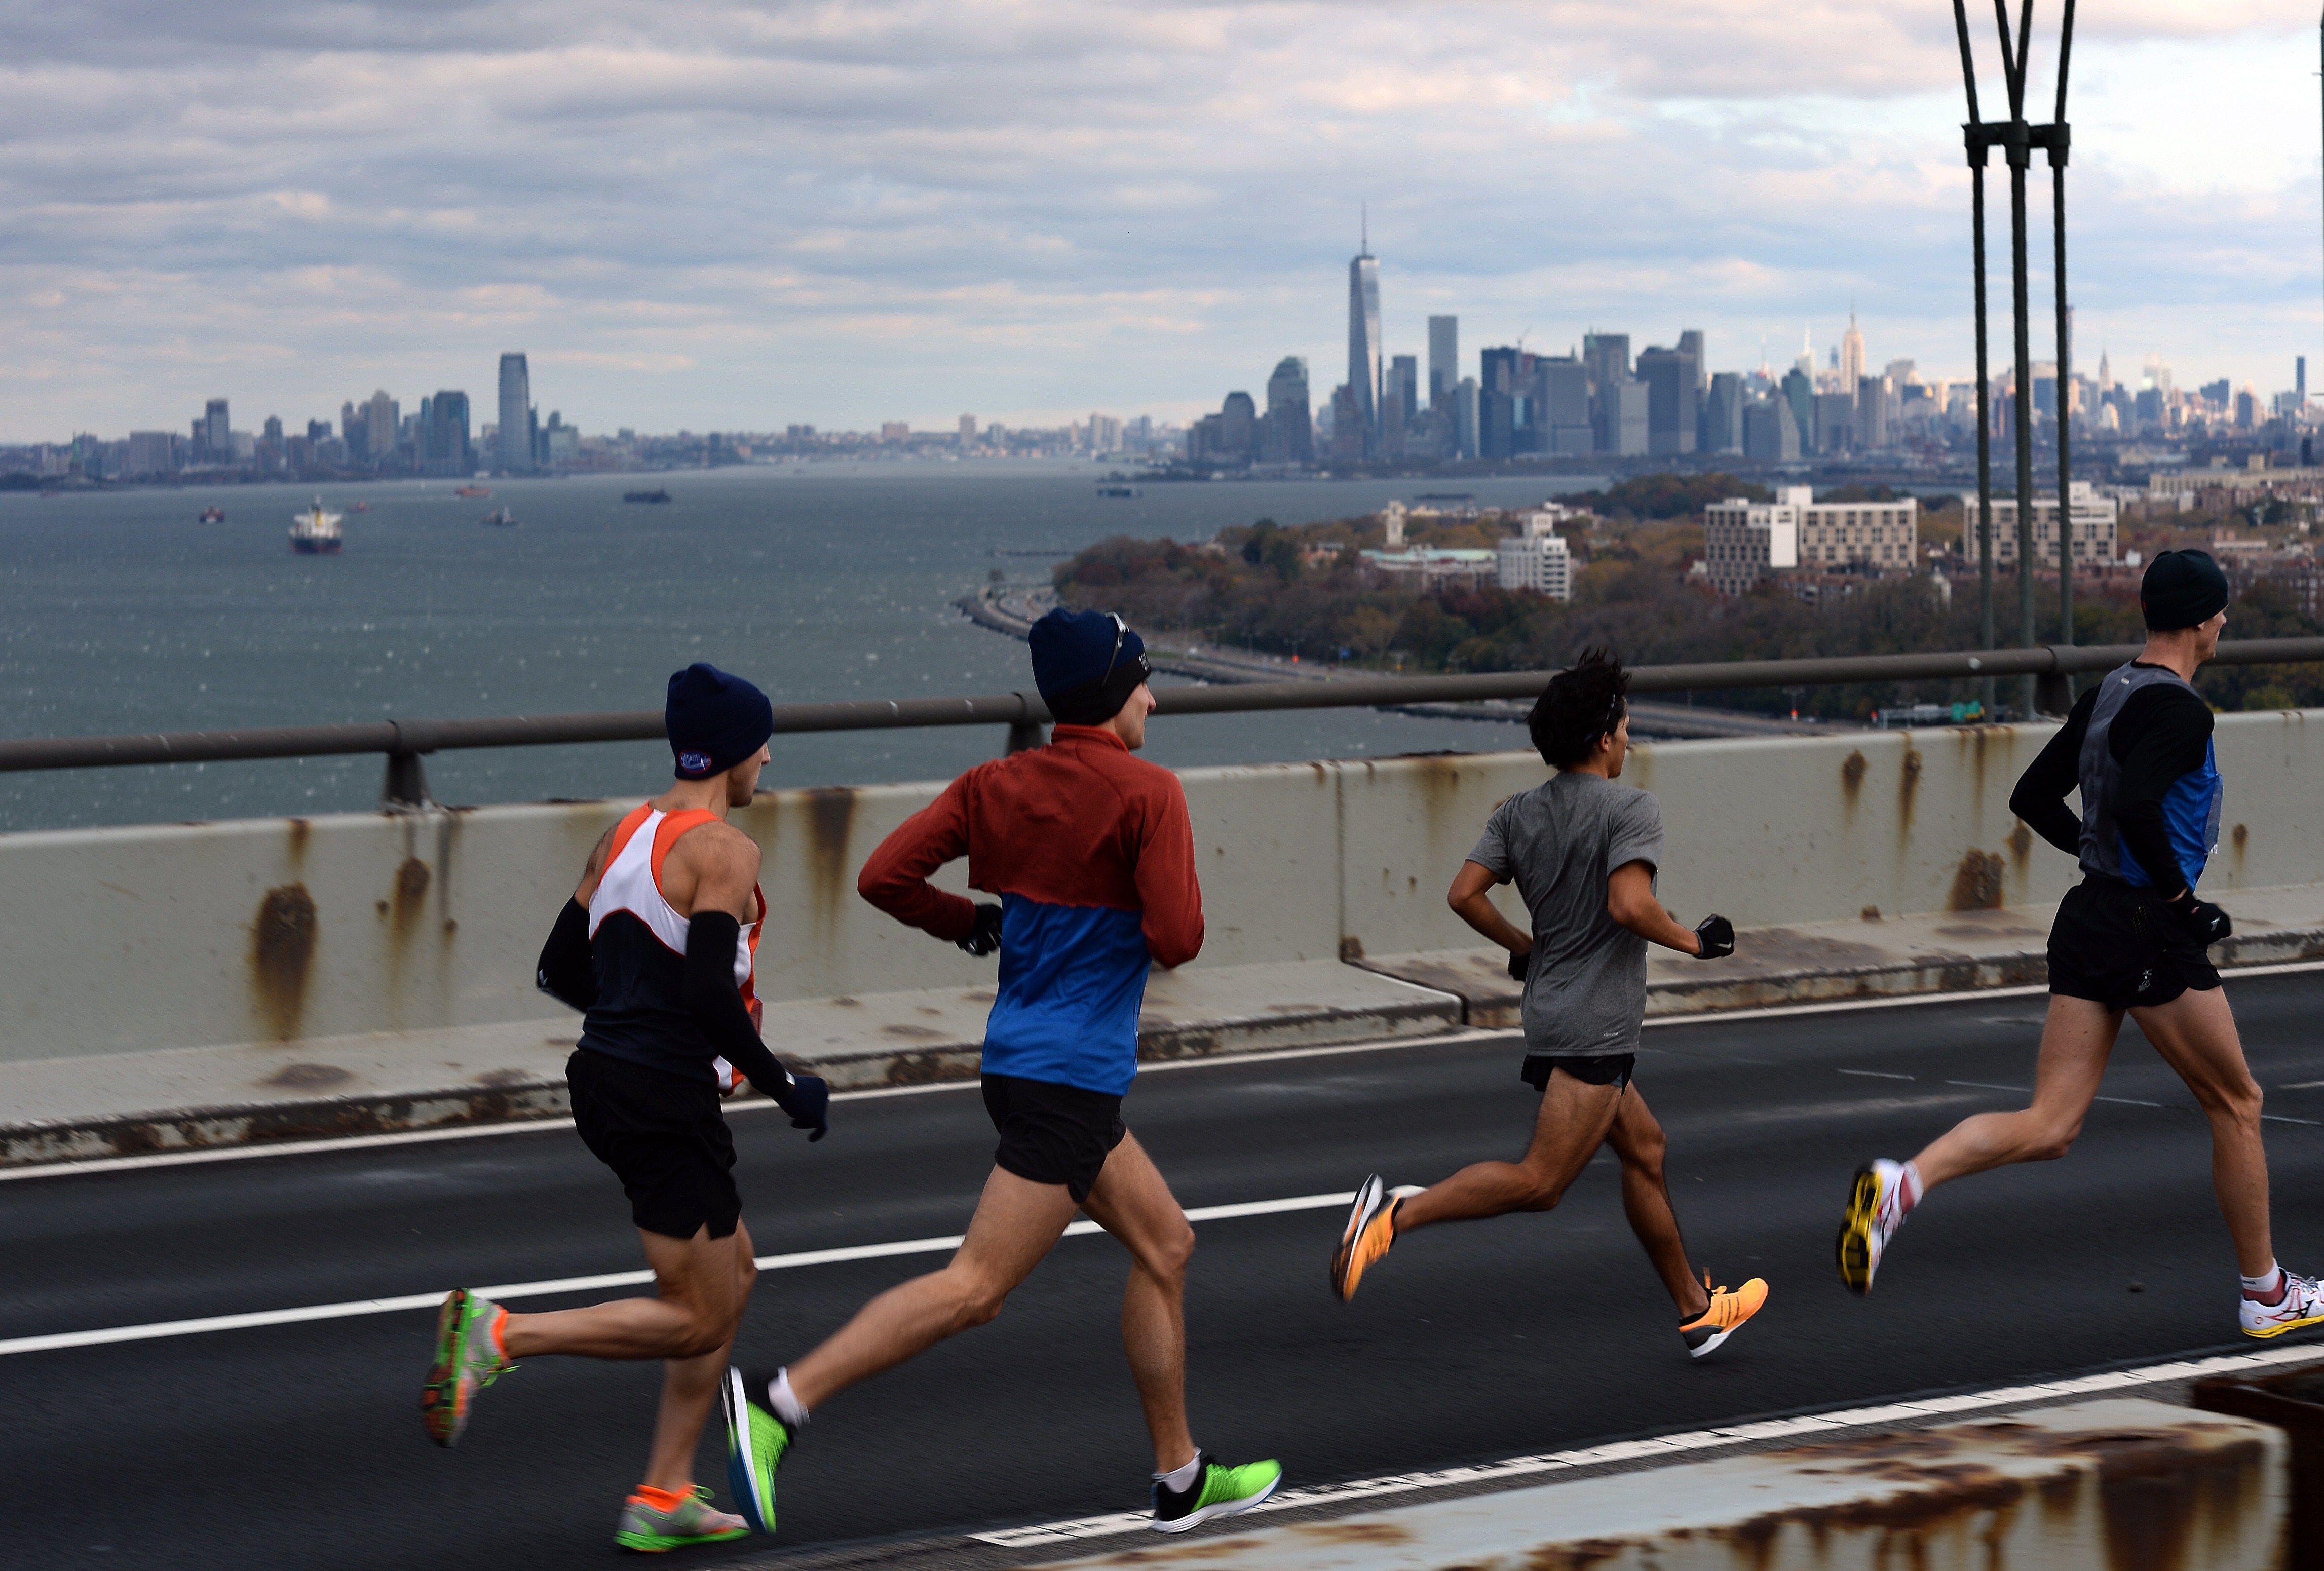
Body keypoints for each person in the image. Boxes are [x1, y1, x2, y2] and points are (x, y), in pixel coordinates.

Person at [720, 608, 1281, 1539]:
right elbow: (1178, 938)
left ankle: (1180, 1475)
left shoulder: (995, 782)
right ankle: (779, 1402)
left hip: (1022, 1064)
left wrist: (974, 921)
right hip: (1068, 1078)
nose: (1152, 694)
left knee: (1168, 1244)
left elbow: (883, 876)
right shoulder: (1151, 795)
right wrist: (1126, 901)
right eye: (1142, 679)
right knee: (976, 1288)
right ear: (1112, 689)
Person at [1837, 551, 2323, 1337]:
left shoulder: (2107, 692)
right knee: (2238, 1101)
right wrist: (2178, 900)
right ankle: (2266, 1293)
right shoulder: (2182, 711)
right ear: (2203, 621)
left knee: (2052, 1124)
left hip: (2090, 914)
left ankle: (1903, 1183)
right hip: (2145, 925)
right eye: (2222, 612)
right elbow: (2136, 806)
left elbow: (2032, 795)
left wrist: (2098, 855)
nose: (2225, 624)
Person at [421, 663, 831, 1554]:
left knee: (734, 1277)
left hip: (605, 1079)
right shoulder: (726, 851)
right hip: (660, 1096)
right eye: (764, 744)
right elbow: (709, 996)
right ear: (733, 754)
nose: (769, 759)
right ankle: (498, 1335)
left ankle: (665, 1490)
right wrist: (784, 1083)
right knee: (698, 1315)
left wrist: (628, 1026)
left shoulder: (624, 834)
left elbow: (559, 970)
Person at [1329, 648, 1768, 1360]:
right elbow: (1630, 904)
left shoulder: (1519, 812)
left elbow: (1462, 894)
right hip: (1596, 1026)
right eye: (1626, 728)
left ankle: (1698, 1309)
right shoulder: (1632, 807)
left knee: (1647, 1148)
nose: (1630, 739)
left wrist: (1525, 946)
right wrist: (1694, 941)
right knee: (1541, 1183)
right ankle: (1394, 1216)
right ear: (1603, 737)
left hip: (1554, 1009)